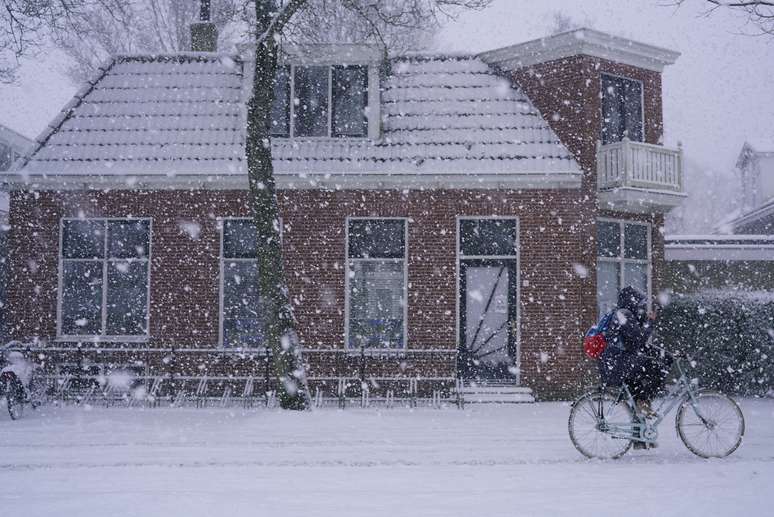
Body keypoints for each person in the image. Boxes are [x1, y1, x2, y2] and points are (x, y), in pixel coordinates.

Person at [599, 286, 670, 421]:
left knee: (638, 381)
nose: (640, 306)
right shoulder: (624, 314)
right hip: (619, 363)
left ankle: (640, 430)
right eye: (638, 303)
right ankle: (643, 403)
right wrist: (650, 322)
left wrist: (644, 321)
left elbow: (632, 340)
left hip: (616, 362)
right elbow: (639, 338)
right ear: (631, 301)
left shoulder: (622, 313)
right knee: (657, 369)